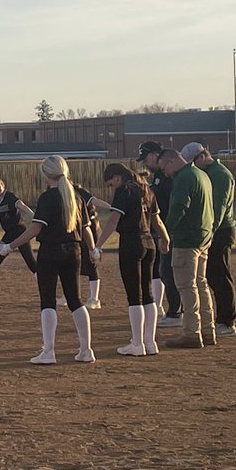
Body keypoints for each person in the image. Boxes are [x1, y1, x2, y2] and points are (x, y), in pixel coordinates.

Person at [0, 156, 97, 365]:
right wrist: (93, 249)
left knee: (48, 301)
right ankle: (86, 349)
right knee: (75, 300)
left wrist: (9, 246)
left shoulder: (48, 197)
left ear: (46, 175)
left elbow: (35, 229)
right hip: (74, 250)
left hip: (50, 252)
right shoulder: (76, 197)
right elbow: (86, 229)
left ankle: (49, 352)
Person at [94, 163, 167, 356]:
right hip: (149, 242)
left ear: (117, 177)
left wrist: (98, 245)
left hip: (131, 243)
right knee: (148, 294)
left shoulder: (123, 190)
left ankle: (137, 343)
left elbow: (113, 221)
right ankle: (150, 342)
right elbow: (156, 220)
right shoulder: (147, 190)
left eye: (111, 184)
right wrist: (166, 239)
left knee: (134, 296)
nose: (112, 187)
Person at [156, 148, 215, 349]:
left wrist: (166, 234)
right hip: (203, 236)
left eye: (164, 168)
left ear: (171, 161)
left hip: (186, 240)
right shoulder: (201, 175)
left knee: (187, 287)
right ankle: (208, 330)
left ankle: (191, 332)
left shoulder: (183, 178)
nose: (164, 173)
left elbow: (179, 207)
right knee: (201, 284)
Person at [188, 143, 236, 338]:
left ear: (201, 157)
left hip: (220, 231)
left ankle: (227, 321)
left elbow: (218, 209)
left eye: (193, 163)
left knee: (221, 276)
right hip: (212, 230)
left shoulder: (220, 175)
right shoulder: (211, 172)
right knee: (212, 275)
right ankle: (221, 319)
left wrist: (208, 233)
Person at [140, 141, 181, 327]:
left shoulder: (167, 176)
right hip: (162, 227)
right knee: (163, 270)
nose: (145, 163)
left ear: (154, 155)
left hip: (169, 227)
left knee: (169, 271)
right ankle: (170, 309)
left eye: (146, 158)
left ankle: (175, 311)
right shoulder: (159, 176)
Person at [73, 182, 103, 311]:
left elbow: (95, 201)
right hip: (77, 230)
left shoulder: (79, 192)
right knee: (74, 262)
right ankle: (68, 294)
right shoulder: (63, 194)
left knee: (91, 263)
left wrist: (113, 207)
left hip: (88, 229)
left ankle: (95, 299)